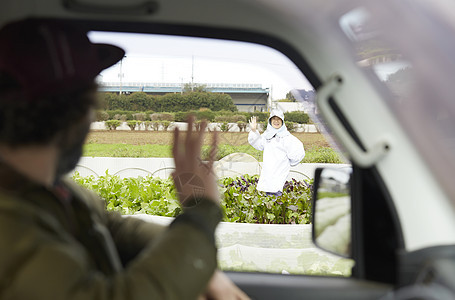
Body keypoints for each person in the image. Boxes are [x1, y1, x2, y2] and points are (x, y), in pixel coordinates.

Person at [0, 19, 249, 299]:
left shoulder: (52, 190)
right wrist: (202, 211)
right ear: (80, 116)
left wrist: (204, 270)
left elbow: (111, 228)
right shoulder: (10, 217)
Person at [248, 109, 305, 196]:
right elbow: (258, 143)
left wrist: (288, 162)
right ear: (270, 121)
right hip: (268, 172)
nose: (276, 121)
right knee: (269, 195)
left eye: (279, 119)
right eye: (274, 119)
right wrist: (254, 131)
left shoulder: (287, 138)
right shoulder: (267, 136)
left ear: (282, 121)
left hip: (280, 172)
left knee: (276, 194)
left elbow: (297, 152)